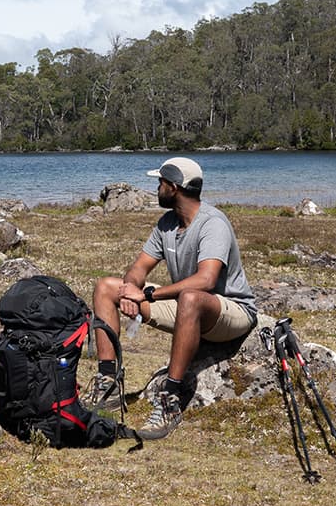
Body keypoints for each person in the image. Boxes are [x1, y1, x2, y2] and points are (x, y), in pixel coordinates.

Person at [85, 157, 257, 439]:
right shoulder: (167, 223)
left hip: (231, 311)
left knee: (191, 295)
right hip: (189, 306)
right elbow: (140, 267)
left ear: (174, 187)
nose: (157, 188)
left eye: (160, 183)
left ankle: (170, 399)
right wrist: (130, 289)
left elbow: (206, 280)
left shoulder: (213, 223)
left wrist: (148, 294)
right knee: (106, 287)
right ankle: (108, 382)